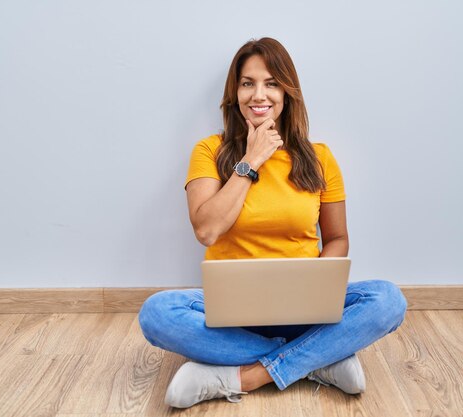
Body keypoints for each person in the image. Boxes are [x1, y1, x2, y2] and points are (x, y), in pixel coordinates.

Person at [138, 37, 407, 409]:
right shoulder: (209, 151)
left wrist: (317, 290)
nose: (258, 94)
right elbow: (207, 230)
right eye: (247, 83)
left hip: (303, 309)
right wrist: (251, 161)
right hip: (230, 314)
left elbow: (338, 238)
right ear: (235, 93)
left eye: (271, 83)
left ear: (287, 91)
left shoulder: (319, 157)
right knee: (157, 313)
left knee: (388, 299)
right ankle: (318, 361)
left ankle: (239, 375)